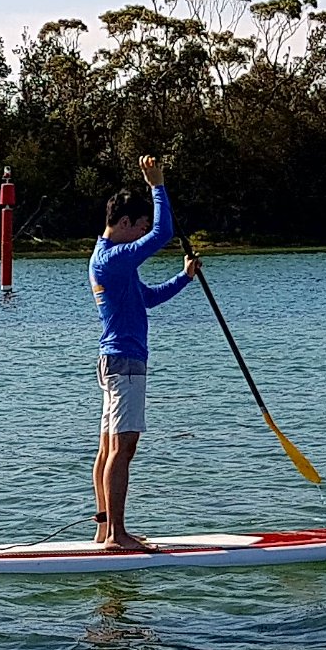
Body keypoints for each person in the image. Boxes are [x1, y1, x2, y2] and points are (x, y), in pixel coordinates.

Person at [89, 154, 200, 550]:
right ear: (122, 224)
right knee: (123, 448)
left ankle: (105, 531)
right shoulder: (113, 259)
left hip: (116, 361)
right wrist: (158, 184)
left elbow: (146, 299)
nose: (140, 237)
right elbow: (162, 233)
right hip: (125, 364)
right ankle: (116, 536)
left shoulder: (110, 261)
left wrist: (184, 278)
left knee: (108, 449)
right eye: (136, 228)